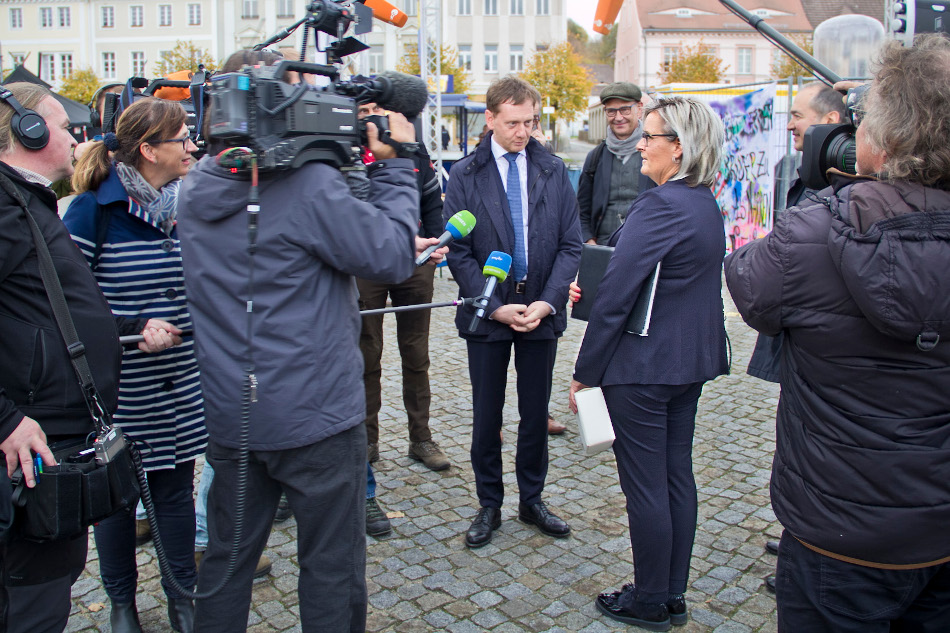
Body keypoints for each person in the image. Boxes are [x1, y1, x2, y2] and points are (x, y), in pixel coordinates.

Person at [176, 49, 429, 632]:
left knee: (227, 563)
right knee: (331, 568)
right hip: (317, 420)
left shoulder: (197, 186)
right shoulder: (309, 186)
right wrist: (395, 164)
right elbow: (391, 255)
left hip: (233, 414)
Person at [725, 35, 950, 631]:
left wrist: (837, 194)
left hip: (839, 532)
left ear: (887, 138)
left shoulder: (817, 228)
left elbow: (747, 283)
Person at [0, 82, 176, 633]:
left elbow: (60, 310)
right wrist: (4, 419)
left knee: (48, 591)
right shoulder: (5, 207)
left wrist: (125, 329)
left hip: (62, 435)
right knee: (31, 603)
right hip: (35, 441)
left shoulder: (25, 200)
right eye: (60, 125)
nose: (77, 136)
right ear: (27, 133)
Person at [569, 97, 728, 631]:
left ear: (678, 147)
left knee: (646, 487)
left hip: (641, 369)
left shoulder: (661, 204)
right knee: (676, 476)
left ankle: (651, 599)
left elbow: (617, 295)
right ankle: (672, 592)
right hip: (687, 364)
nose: (639, 143)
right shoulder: (702, 201)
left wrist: (585, 373)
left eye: (650, 136)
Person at [62, 98, 205, 633]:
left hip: (181, 381)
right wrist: (132, 328)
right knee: (118, 502)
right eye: (181, 138)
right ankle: (121, 602)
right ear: (148, 149)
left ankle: (182, 596)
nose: (191, 146)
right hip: (122, 388)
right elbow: (68, 303)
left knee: (175, 492)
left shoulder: (188, 204)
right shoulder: (92, 211)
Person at [443, 75, 582, 549]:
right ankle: (489, 503)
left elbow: (570, 244)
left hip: (540, 307)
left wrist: (549, 301)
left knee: (534, 413)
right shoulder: (465, 174)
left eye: (531, 122)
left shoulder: (552, 169)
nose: (524, 132)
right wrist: (495, 308)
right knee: (487, 414)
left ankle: (532, 499)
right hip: (489, 312)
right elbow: (459, 252)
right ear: (490, 118)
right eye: (513, 123)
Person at [753, 81, 849, 591]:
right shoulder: (805, 172)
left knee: (819, 447)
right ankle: (798, 536)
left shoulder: (845, 189)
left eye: (799, 116)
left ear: (831, 123)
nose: (790, 124)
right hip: (800, 336)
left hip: (823, 342)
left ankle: (811, 552)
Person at [356, 101, 449, 473]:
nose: (373, 117)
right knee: (366, 354)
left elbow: (431, 199)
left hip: (415, 262)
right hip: (365, 263)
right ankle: (366, 441)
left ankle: (421, 437)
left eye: (378, 109)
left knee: (416, 353)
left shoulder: (412, 145)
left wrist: (435, 243)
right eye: (364, 110)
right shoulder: (346, 149)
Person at [577, 82, 656, 246]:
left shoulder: (655, 153)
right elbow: (581, 209)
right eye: (611, 111)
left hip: (645, 247)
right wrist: (589, 240)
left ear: (639, 109)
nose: (618, 117)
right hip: (603, 248)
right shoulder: (595, 157)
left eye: (625, 109)